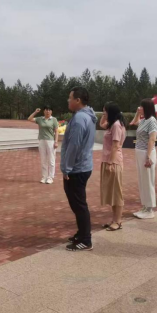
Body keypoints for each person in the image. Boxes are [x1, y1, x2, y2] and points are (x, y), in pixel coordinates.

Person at [61, 87, 97, 251]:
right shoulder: (86, 116)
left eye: (70, 98)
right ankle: (81, 233)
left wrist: (67, 168)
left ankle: (85, 240)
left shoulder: (80, 118)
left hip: (77, 168)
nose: (68, 100)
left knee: (79, 204)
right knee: (77, 203)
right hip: (82, 166)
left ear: (78, 100)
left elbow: (74, 146)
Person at [99, 102, 127, 231]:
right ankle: (114, 219)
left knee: (116, 192)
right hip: (108, 160)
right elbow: (101, 124)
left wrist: (110, 163)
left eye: (105, 111)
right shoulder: (112, 124)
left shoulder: (116, 125)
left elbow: (115, 146)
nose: (103, 113)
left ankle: (118, 221)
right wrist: (104, 115)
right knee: (111, 192)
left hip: (114, 162)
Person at [131, 98, 157, 219]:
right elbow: (133, 122)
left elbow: (152, 139)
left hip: (147, 153)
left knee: (148, 181)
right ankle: (145, 206)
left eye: (141, 107)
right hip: (139, 152)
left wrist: (148, 156)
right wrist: (137, 113)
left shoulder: (152, 121)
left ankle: (150, 209)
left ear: (146, 108)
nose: (139, 108)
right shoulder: (143, 120)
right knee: (142, 181)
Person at [28, 106, 59, 184]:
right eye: (46, 110)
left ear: (51, 111)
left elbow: (56, 131)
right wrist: (35, 112)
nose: (47, 111)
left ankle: (50, 177)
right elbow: (29, 119)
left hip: (50, 141)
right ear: (44, 111)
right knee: (43, 160)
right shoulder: (40, 119)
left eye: (49, 110)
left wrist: (56, 142)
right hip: (42, 140)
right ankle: (44, 176)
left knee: (51, 160)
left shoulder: (54, 119)